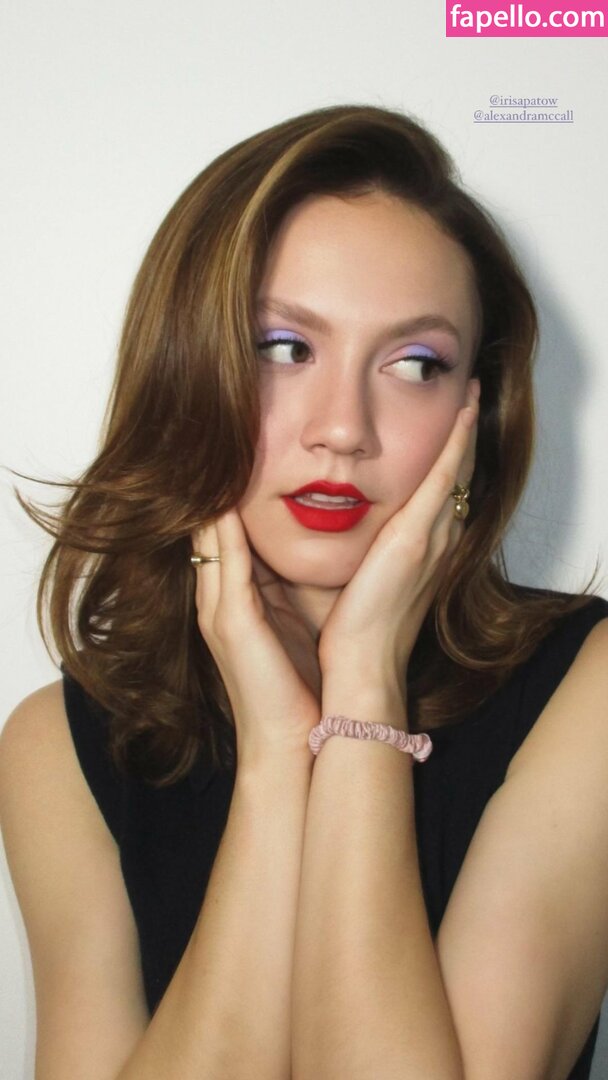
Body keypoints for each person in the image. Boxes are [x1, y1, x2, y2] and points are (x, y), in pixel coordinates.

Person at [1, 102, 607, 1080]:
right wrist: (277, 759)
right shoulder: (58, 748)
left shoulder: (586, 688)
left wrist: (361, 684)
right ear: (186, 367)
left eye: (414, 364)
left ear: (475, 412)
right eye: (283, 348)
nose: (343, 428)